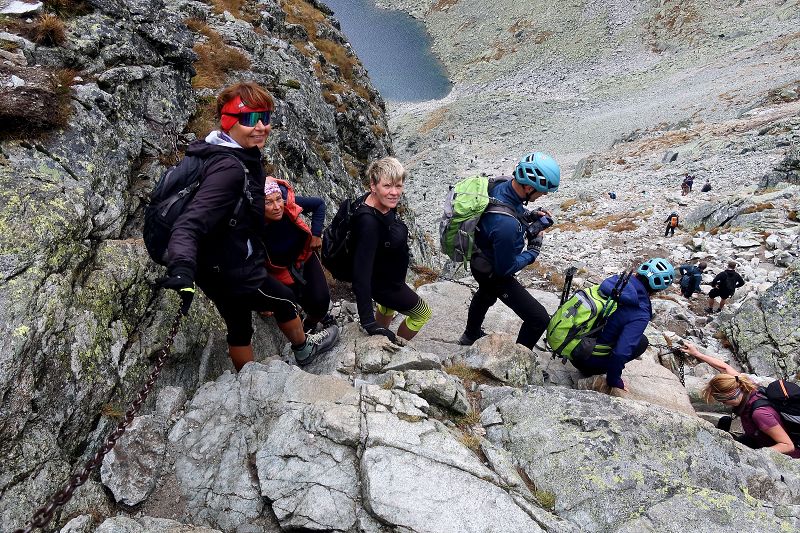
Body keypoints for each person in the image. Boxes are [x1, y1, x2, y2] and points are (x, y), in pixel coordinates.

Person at [163, 81, 338, 371]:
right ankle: (303, 350)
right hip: (235, 267)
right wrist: (182, 264)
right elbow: (191, 221)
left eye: (265, 118)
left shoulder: (214, 151)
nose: (260, 127)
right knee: (285, 300)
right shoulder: (229, 168)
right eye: (249, 119)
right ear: (228, 121)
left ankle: (247, 380)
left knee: (238, 324)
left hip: (212, 266)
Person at [458, 151, 559, 348]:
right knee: (539, 319)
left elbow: (508, 207)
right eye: (542, 191)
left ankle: (470, 335)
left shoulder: (501, 184)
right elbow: (506, 269)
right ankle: (519, 359)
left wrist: (530, 215)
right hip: (492, 271)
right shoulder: (507, 226)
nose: (543, 195)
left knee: (486, 295)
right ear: (529, 187)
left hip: (479, 258)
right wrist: (534, 250)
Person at [351, 157, 431, 342]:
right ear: (373, 185)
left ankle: (381, 341)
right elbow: (360, 275)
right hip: (386, 286)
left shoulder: (375, 202)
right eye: (387, 186)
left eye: (398, 186)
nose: (394, 192)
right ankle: (397, 345)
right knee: (423, 313)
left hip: (386, 279)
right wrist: (368, 322)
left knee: (388, 307)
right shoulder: (368, 223)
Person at [569, 258, 674, 391]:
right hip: (585, 362)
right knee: (642, 341)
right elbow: (620, 353)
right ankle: (595, 369)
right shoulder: (641, 311)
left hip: (570, 346)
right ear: (658, 290)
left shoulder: (616, 281)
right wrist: (614, 381)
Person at [679, 342, 798, 458]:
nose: (722, 403)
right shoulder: (744, 383)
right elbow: (724, 368)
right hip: (757, 438)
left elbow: (787, 446)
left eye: (723, 400)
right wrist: (697, 353)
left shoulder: (760, 414)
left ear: (732, 395)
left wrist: (755, 456)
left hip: (790, 456)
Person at [262, 177, 334, 334]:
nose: (277, 207)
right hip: (279, 271)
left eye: (278, 199)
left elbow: (319, 204)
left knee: (321, 300)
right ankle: (309, 319)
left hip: (304, 257)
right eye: (268, 202)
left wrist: (316, 234)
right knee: (295, 300)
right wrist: (262, 300)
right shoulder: (253, 226)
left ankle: (310, 323)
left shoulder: (287, 206)